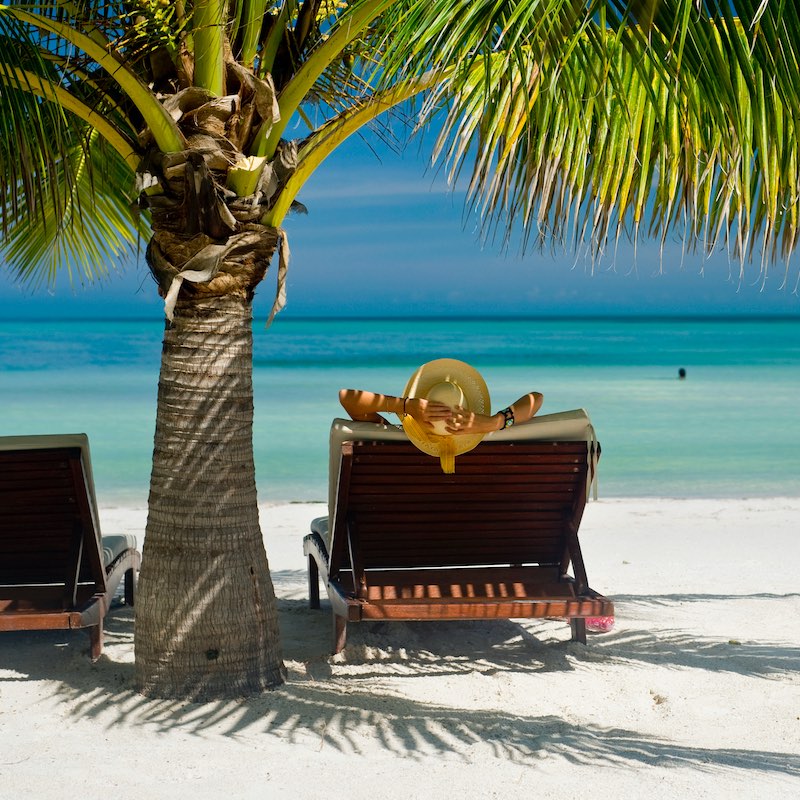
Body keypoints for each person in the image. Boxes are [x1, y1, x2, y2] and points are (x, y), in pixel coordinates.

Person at [339, 358, 544, 473]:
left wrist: (405, 406)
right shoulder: (490, 443)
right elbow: (536, 399)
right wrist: (495, 422)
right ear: (469, 408)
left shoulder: (395, 440)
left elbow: (347, 398)